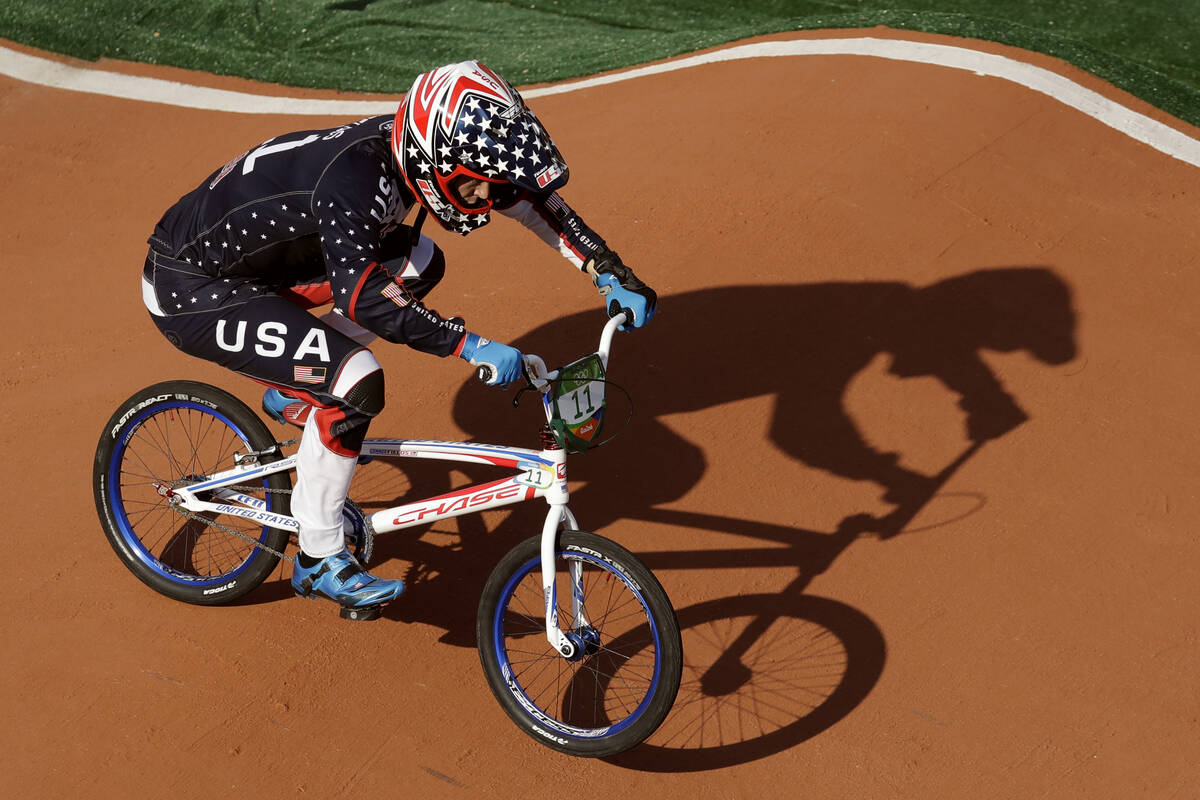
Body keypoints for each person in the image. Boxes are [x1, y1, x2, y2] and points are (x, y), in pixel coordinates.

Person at [140, 60, 657, 614]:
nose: (484, 196)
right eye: (472, 184)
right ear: (434, 160)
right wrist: (468, 344)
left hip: (268, 263)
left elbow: (526, 197)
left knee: (418, 262)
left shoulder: (421, 155)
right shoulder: (354, 181)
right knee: (357, 383)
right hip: (193, 285)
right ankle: (318, 556)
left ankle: (299, 388)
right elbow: (363, 296)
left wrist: (605, 268)